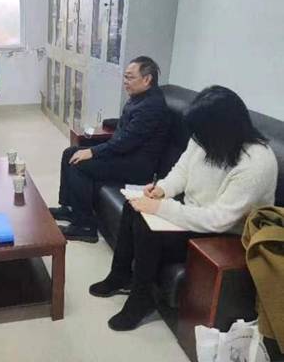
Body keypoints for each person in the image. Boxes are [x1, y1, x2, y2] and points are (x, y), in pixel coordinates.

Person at [89, 86, 278, 331]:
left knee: (147, 230)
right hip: (195, 213)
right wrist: (162, 189)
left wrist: (161, 208)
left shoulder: (257, 163)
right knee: (133, 207)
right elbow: (182, 171)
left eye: (202, 135)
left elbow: (219, 219)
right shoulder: (205, 138)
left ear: (223, 129)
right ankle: (120, 275)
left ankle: (141, 298)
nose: (197, 140)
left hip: (224, 234)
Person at [49, 56, 171, 242]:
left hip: (136, 165)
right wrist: (109, 123)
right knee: (70, 153)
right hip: (125, 154)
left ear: (147, 79)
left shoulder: (152, 106)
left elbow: (126, 141)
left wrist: (93, 151)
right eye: (125, 77)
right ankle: (70, 209)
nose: (125, 81)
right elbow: (129, 126)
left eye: (130, 77)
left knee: (79, 164)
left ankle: (85, 226)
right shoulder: (141, 98)